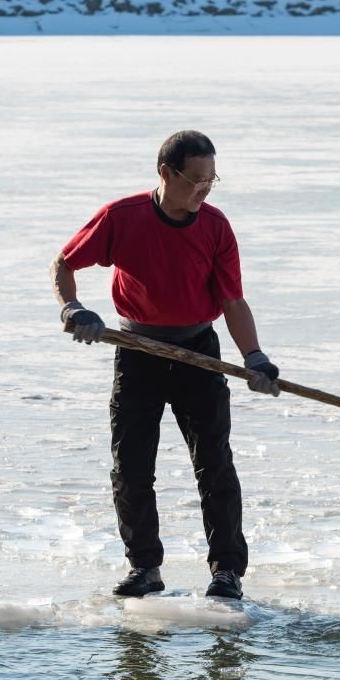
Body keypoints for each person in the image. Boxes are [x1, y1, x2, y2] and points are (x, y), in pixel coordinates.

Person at [50, 130, 279, 601]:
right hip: (137, 352)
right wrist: (73, 309)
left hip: (198, 352)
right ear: (165, 174)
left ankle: (227, 573)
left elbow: (233, 300)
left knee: (214, 465)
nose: (203, 190)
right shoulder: (122, 217)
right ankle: (145, 569)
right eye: (195, 180)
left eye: (211, 181)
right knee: (132, 467)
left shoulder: (215, 226)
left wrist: (254, 357)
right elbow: (64, 264)